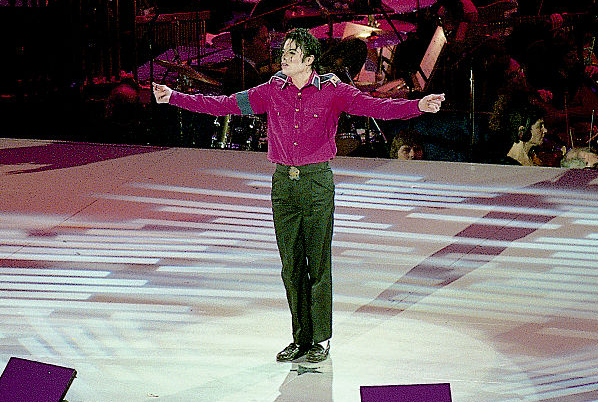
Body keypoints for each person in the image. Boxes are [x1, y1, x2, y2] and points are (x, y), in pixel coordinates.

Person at [152, 28, 444, 363]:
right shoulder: (272, 89)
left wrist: (418, 105)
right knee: (291, 265)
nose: (284, 57)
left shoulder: (333, 91)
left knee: (317, 263)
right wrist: (174, 97)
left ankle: (319, 339)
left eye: (292, 52)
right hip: (283, 185)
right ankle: (300, 337)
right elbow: (225, 104)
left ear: (308, 59)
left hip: (316, 182)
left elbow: (376, 107)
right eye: (285, 51)